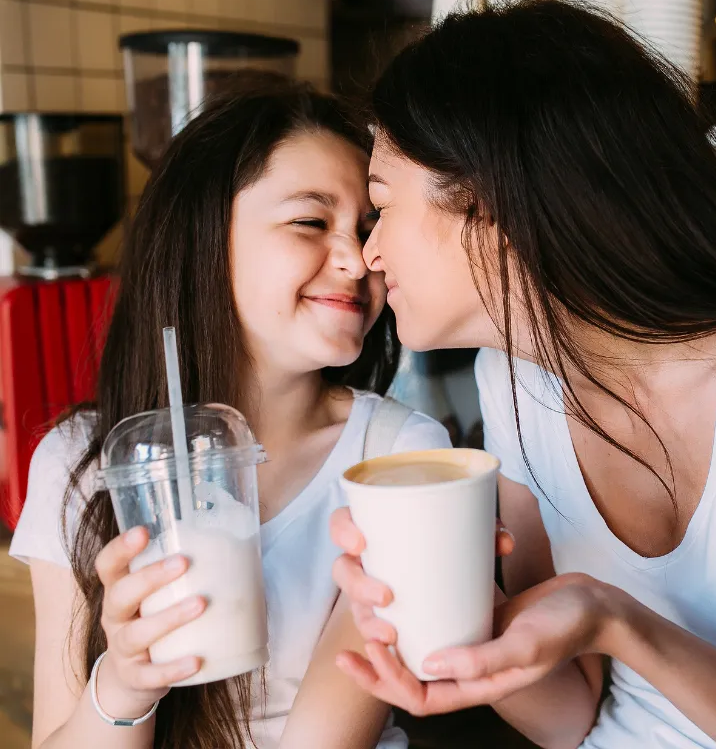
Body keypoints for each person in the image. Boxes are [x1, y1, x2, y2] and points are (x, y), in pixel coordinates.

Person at [329, 0, 716, 749]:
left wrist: (619, 624)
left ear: (489, 207)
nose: (369, 255)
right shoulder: (515, 380)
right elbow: (569, 718)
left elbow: (604, 626)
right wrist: (451, 601)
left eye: (381, 207)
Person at [9, 86, 451, 749]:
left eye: (366, 228)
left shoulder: (398, 460)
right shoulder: (78, 463)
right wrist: (126, 687)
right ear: (206, 239)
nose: (359, 260)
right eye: (311, 222)